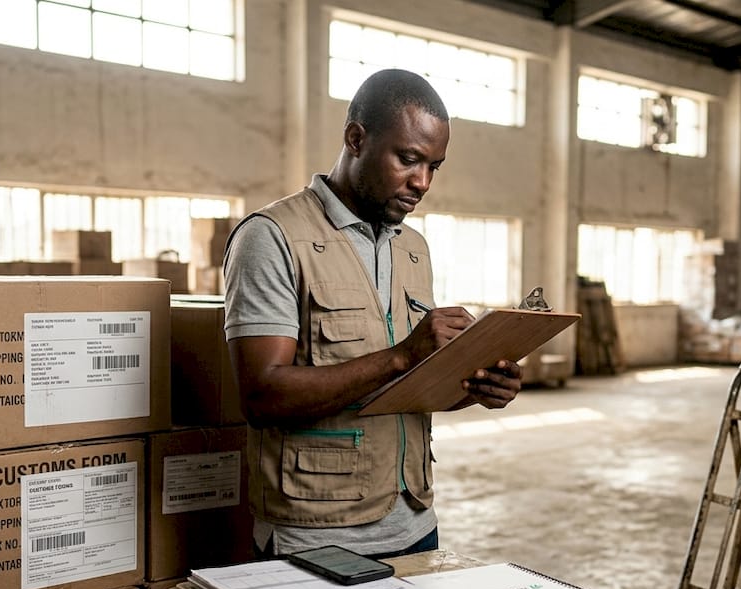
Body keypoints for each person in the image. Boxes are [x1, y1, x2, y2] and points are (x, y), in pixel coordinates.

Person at [222, 68, 523, 559]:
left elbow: (411, 389)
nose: (422, 182)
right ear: (356, 139)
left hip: (415, 523)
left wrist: (478, 387)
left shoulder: (412, 248)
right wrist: (403, 355)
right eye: (409, 159)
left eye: (434, 167)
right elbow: (261, 396)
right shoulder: (272, 237)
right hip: (318, 534)